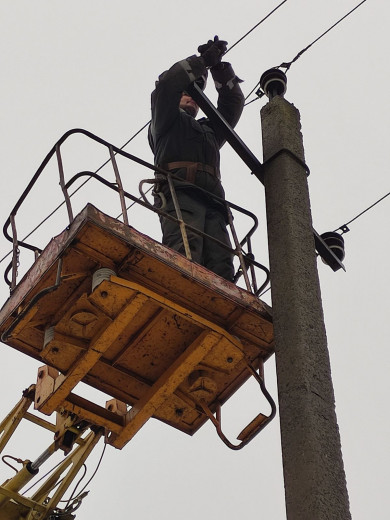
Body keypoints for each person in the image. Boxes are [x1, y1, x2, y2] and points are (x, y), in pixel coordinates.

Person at [148, 36, 244, 282]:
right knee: (186, 255)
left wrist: (220, 69)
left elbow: (232, 105)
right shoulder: (166, 123)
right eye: (188, 92)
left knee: (222, 268)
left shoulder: (210, 132)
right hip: (180, 194)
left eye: (197, 95)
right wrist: (201, 62)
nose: (193, 97)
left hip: (213, 203)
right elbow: (168, 85)